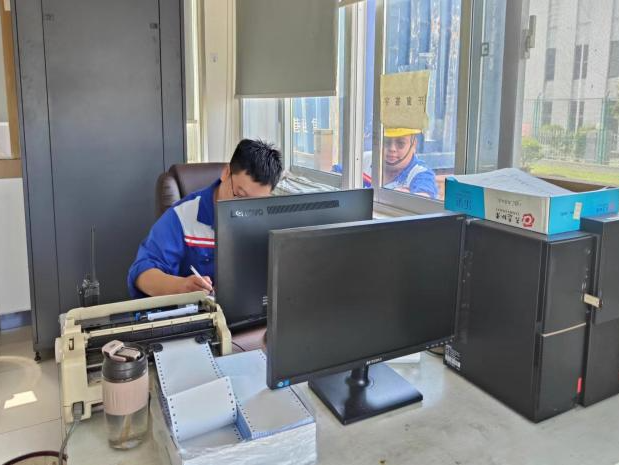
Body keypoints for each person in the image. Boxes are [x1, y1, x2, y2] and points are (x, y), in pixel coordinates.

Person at [127, 139, 283, 298]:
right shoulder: (182, 216)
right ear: (226, 173)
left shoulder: (269, 219)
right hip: (198, 309)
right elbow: (142, 274)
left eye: (255, 203)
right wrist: (181, 286)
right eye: (240, 196)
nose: (245, 209)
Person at [382, 128, 437, 198]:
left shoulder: (420, 173)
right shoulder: (370, 159)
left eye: (401, 143)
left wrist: (401, 198)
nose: (392, 149)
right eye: (386, 142)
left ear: (414, 144)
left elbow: (425, 197)